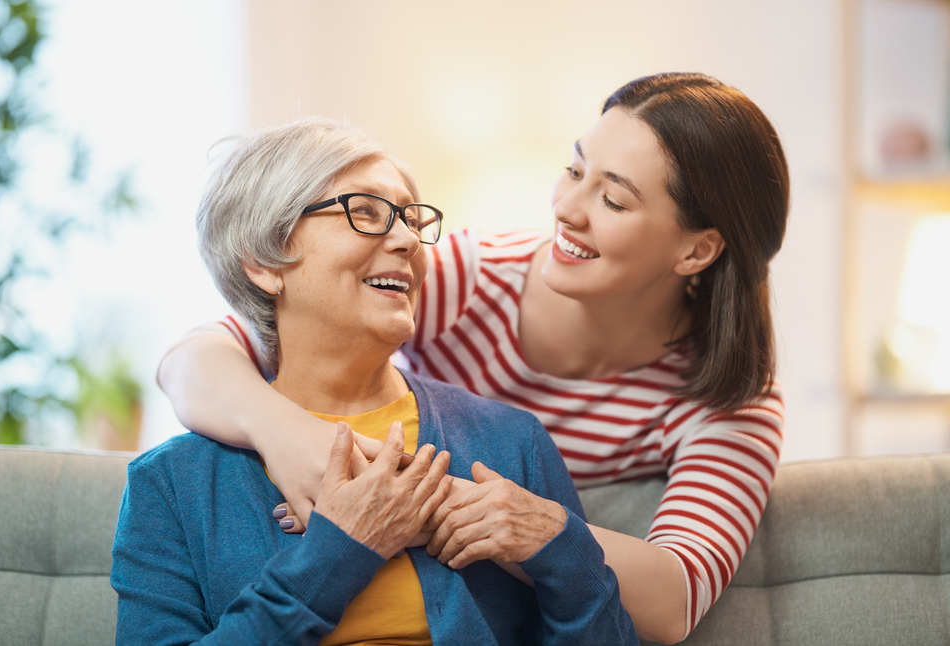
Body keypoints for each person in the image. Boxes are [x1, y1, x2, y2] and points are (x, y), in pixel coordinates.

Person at [158, 72, 788, 644]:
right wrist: (294, 440)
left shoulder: (729, 403)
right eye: (574, 171)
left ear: (696, 251)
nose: (566, 210)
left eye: (614, 201)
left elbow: (675, 599)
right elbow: (215, 348)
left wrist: (504, 522)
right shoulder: (475, 277)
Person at [111, 118, 639, 645]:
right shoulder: (171, 485)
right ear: (263, 262)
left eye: (412, 218)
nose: (409, 239)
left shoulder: (510, 441)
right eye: (364, 212)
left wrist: (561, 547)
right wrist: (339, 551)